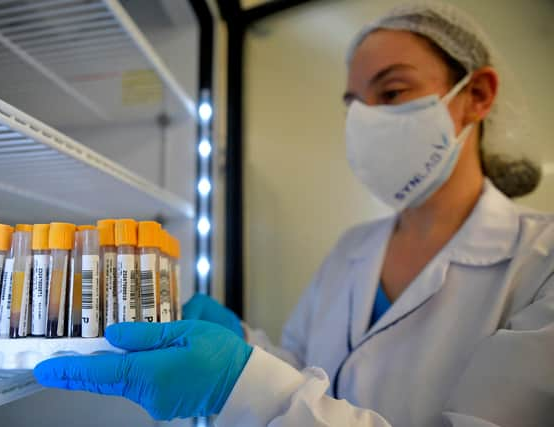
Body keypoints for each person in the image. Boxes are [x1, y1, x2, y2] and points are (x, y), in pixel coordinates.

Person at [33, 2, 554, 426]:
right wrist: (242, 346)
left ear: (478, 96)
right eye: (354, 103)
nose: (365, 120)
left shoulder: (541, 265)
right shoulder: (353, 249)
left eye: (391, 92)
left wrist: (234, 383)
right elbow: (305, 375)